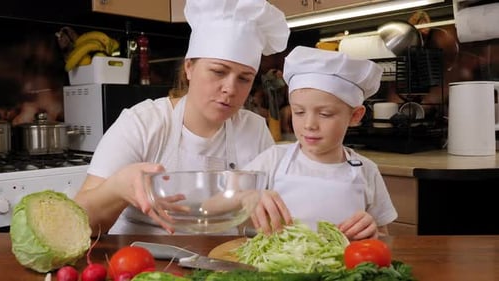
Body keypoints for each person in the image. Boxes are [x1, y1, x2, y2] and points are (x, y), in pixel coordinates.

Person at [74, 0, 290, 236]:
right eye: (218, 71)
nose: (230, 88)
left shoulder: (255, 130)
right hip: (144, 263)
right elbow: (79, 223)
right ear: (189, 68)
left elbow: (276, 215)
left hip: (225, 260)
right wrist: (117, 187)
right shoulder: (142, 124)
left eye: (244, 78)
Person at [243, 46, 398, 240]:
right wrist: (247, 197)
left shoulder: (367, 171)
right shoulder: (274, 159)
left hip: (342, 269)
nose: (309, 125)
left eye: (325, 114)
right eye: (298, 112)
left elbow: (385, 238)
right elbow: (222, 199)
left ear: (355, 116)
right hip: (279, 269)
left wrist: (374, 233)